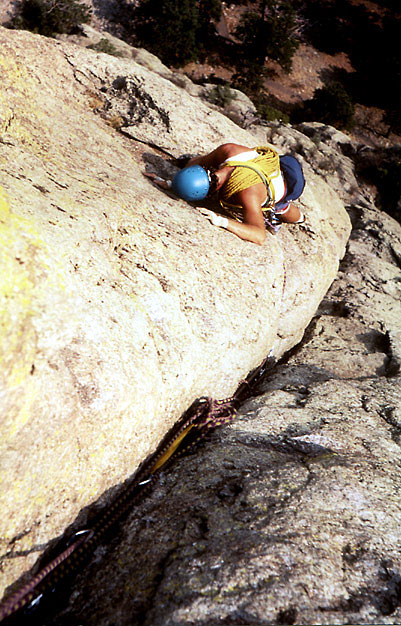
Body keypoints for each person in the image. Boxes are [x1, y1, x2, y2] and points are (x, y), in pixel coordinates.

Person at [144, 142, 305, 245]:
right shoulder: (227, 151)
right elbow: (195, 163)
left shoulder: (247, 193)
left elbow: (258, 234)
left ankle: (302, 219)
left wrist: (221, 221)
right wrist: (174, 183)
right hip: (269, 166)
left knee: (283, 209)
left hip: (285, 181)